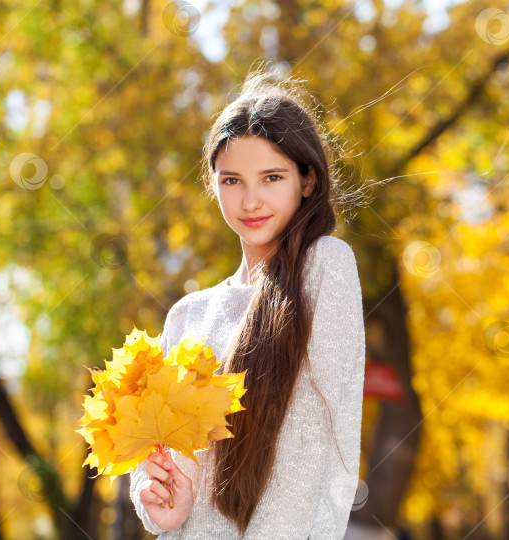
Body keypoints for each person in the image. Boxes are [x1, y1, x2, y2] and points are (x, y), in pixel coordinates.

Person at [129, 65, 366, 539]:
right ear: (213, 184)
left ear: (308, 181)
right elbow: (170, 470)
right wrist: (155, 503)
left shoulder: (325, 268)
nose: (251, 199)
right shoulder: (187, 316)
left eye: (272, 177)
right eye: (232, 180)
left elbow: (309, 452)